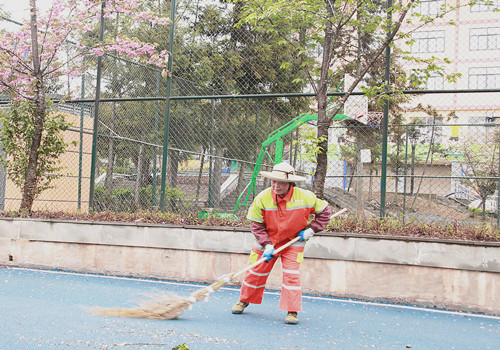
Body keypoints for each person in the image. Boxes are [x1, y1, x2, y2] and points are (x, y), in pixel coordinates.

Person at [231, 162, 332, 324]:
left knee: (292, 276)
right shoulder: (262, 198)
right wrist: (267, 244)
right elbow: (256, 225)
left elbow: (325, 212)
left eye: (281, 182)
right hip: (266, 242)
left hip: (293, 242)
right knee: (255, 273)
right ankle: (244, 300)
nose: (276, 186)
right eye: (273, 181)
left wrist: (312, 230)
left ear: (290, 183)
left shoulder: (305, 197)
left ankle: (292, 311)